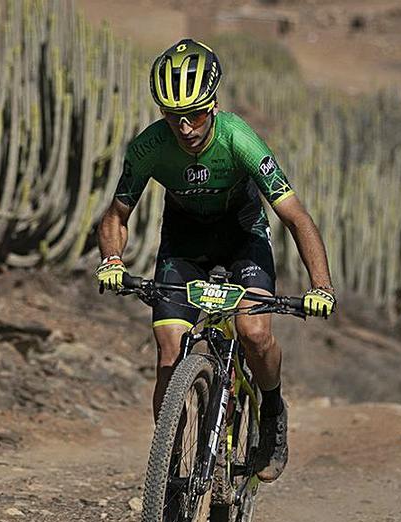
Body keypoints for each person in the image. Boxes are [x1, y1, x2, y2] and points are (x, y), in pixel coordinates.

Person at [94, 38, 335, 482]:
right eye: (172, 117)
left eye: (196, 114)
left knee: (254, 331)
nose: (184, 128)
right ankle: (172, 466)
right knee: (169, 350)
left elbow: (296, 217)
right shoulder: (149, 147)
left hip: (242, 238)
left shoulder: (239, 138)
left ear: (214, 104)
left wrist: (321, 286)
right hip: (184, 244)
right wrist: (112, 259)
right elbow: (116, 215)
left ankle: (272, 410)